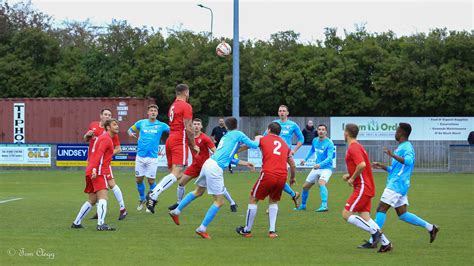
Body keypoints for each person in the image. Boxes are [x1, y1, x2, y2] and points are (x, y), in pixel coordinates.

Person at [168, 117, 259, 239]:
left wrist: (246, 163)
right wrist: (259, 138)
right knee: (219, 201)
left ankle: (176, 211)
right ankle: (202, 228)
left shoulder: (226, 137)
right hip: (215, 168)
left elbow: (230, 157)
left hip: (208, 163)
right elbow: (254, 145)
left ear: (226, 127)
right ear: (237, 125)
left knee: (198, 192)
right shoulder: (238, 134)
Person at [367, 123, 439, 248]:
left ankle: (373, 239)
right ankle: (431, 227)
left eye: (397, 130)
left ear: (401, 133)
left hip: (397, 185)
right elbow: (395, 169)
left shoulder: (407, 147)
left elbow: (409, 162)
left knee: (381, 209)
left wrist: (392, 155)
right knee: (403, 214)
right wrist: (382, 166)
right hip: (399, 184)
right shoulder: (400, 147)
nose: (395, 132)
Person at [235, 122, 296, 239]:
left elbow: (249, 145)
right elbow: (292, 165)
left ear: (268, 130)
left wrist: (233, 151)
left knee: (253, 198)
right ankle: (272, 231)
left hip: (268, 174)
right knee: (273, 201)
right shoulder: (285, 145)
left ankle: (246, 230)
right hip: (283, 176)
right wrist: (292, 178)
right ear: (279, 133)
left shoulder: (263, 139)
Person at [146, 84, 199, 213]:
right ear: (185, 92)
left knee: (176, 175)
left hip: (170, 139)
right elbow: (188, 127)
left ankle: (179, 203)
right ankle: (154, 194)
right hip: (179, 139)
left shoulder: (173, 106)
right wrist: (193, 145)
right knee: (177, 173)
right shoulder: (186, 106)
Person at [168, 118, 238, 212]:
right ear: (191, 126)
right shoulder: (189, 138)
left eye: (198, 124)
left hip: (206, 167)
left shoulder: (205, 138)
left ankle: (232, 203)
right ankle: (179, 203)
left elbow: (215, 151)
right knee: (181, 183)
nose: (196, 126)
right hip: (195, 166)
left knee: (219, 187)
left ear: (201, 126)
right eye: (195, 124)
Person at [342, 123, 392, 252]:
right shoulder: (358, 146)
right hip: (366, 185)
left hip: (363, 186)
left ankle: (374, 232)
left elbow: (362, 164)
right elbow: (363, 166)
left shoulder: (353, 147)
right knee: (365, 216)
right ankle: (385, 243)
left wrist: (352, 178)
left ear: (346, 133)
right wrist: (351, 175)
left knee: (346, 214)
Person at [71, 118, 120, 231]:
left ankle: (76, 222)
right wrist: (94, 170)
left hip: (92, 169)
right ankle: (101, 224)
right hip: (98, 171)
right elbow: (99, 154)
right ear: (108, 127)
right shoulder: (106, 139)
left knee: (92, 200)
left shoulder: (104, 138)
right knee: (103, 197)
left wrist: (92, 169)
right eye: (114, 124)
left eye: (117, 124)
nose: (117, 126)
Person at [83, 108, 127, 220]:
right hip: (93, 162)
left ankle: (123, 208)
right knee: (96, 188)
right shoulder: (93, 126)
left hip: (103, 164)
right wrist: (87, 136)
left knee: (111, 184)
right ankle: (98, 212)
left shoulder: (112, 132)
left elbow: (118, 149)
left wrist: (106, 155)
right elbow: (85, 139)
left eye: (110, 115)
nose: (108, 116)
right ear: (100, 116)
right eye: (106, 114)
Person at [128, 104, 170, 212]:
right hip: (140, 156)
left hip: (152, 158)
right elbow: (130, 130)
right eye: (151, 110)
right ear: (148, 113)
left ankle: (151, 202)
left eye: (155, 111)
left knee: (151, 181)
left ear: (157, 113)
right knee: (139, 179)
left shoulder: (161, 125)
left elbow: (173, 131)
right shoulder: (141, 123)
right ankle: (142, 199)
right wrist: (131, 133)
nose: (153, 112)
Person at [266, 105, 304, 208]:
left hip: (285, 154)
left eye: (284, 111)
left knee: (276, 179)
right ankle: (293, 194)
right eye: (280, 111)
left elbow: (301, 139)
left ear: (287, 113)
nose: (282, 112)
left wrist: (294, 150)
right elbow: (265, 137)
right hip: (274, 154)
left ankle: (272, 205)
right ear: (278, 113)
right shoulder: (274, 124)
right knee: (276, 179)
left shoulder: (293, 125)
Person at [296, 124, 334, 212]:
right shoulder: (315, 140)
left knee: (321, 183)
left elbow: (329, 158)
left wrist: (320, 165)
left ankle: (324, 205)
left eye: (323, 129)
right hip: (316, 168)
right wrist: (305, 159)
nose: (321, 131)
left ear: (326, 132)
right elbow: (312, 150)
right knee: (305, 187)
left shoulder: (329, 143)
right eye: (319, 129)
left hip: (326, 168)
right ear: (317, 131)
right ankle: (303, 205)